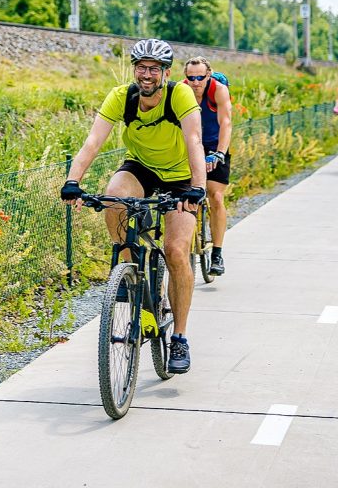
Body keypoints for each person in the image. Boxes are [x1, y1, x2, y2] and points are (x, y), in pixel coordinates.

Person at [61, 39, 207, 374]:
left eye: (154, 69)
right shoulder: (121, 96)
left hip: (182, 176)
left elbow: (194, 140)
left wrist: (198, 188)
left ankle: (180, 337)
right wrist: (73, 181)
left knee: (175, 249)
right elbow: (93, 141)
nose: (146, 74)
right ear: (135, 70)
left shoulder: (179, 95)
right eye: (141, 67)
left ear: (165, 73)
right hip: (141, 167)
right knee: (113, 197)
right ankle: (129, 275)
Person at [183, 56, 232, 277]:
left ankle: (218, 254)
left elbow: (226, 123)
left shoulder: (218, 90)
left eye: (200, 77)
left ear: (208, 75)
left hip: (214, 145)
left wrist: (220, 153)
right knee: (182, 196)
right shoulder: (181, 91)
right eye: (190, 77)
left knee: (216, 196)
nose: (195, 82)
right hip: (191, 145)